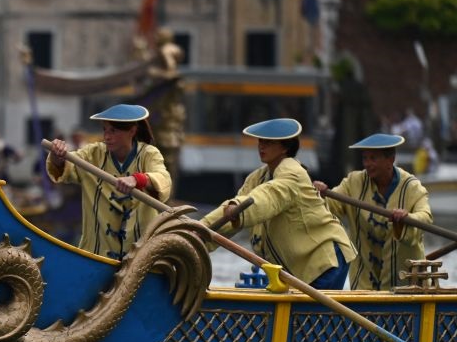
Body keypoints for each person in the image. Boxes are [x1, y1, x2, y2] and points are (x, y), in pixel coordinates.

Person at [201, 118, 356, 289]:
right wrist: (197, 234)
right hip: (296, 265)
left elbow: (268, 197)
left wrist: (240, 209)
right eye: (260, 141)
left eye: (268, 142)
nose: (261, 146)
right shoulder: (257, 178)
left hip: (324, 260)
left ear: (285, 147)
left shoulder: (293, 172)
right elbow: (228, 212)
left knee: (311, 315)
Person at [46, 103, 171, 260]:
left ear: (132, 131)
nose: (107, 136)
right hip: (95, 255)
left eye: (113, 131)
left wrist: (137, 179)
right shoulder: (93, 153)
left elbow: (163, 178)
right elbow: (67, 166)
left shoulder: (148, 154)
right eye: (105, 130)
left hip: (140, 260)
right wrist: (58, 157)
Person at [312, 133, 432, 291]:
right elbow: (329, 206)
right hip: (364, 284)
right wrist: (318, 194)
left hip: (408, 285)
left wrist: (407, 218)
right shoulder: (353, 182)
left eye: (373, 158)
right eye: (365, 158)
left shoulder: (412, 187)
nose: (367, 164)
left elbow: (425, 217)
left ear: (390, 160)